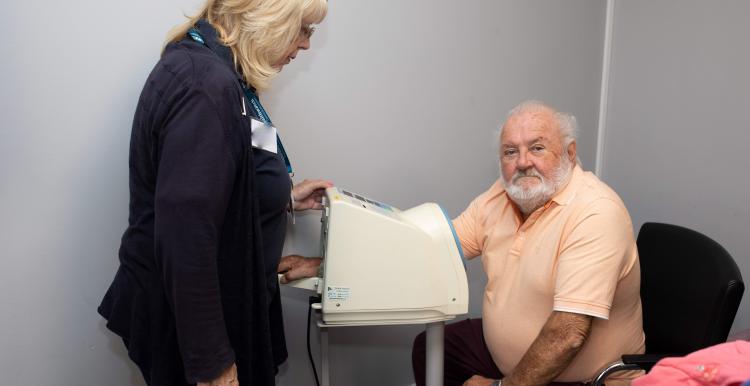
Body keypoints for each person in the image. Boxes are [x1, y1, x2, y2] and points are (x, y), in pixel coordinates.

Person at [97, 0, 330, 385]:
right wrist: (214, 368)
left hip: (211, 302)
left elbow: (209, 188)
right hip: (196, 328)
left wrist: (281, 199)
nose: (305, 44)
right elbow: (185, 239)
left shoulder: (212, 70)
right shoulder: (205, 87)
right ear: (268, 18)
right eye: (304, 28)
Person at [411, 101, 646, 386]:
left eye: (537, 148)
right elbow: (438, 245)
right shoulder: (503, 194)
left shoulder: (596, 212)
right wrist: (359, 218)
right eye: (511, 152)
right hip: (508, 357)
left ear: (570, 153)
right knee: (432, 349)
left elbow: (567, 335)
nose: (522, 163)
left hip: (582, 378)